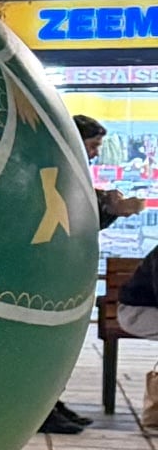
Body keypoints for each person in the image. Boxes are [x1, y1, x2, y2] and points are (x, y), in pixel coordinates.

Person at [41, 117, 146, 433]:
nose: (95, 153)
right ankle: (42, 409)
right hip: (46, 275)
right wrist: (109, 206)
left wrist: (109, 206)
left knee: (56, 349)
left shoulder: (66, 171)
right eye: (92, 146)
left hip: (59, 274)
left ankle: (50, 403)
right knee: (46, 347)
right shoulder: (52, 169)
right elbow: (64, 215)